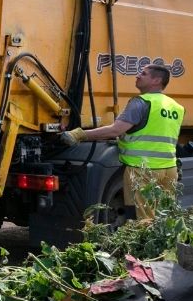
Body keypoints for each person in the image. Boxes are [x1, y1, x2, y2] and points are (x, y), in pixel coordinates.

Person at [60, 63, 184, 220]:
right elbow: (150, 132)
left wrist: (80, 134)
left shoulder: (141, 102)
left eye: (144, 74)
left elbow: (115, 130)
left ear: (156, 80)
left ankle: (142, 245)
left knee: (143, 219)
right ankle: (168, 245)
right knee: (164, 216)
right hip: (169, 170)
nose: (138, 75)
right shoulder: (176, 107)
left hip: (143, 170)